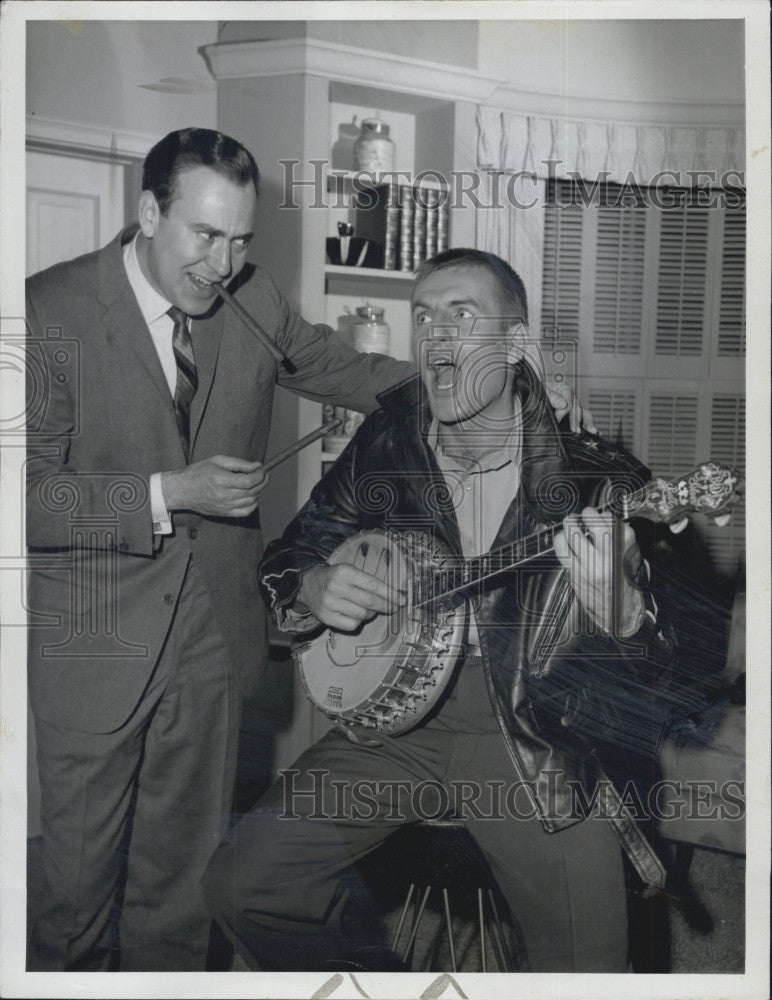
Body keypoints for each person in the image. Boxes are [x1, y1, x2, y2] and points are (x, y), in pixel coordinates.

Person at [25, 131, 582, 972]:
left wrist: (502, 380)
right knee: (71, 896)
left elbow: (360, 375)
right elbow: (23, 497)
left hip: (212, 643)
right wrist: (170, 492)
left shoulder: (249, 300)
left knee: (181, 897)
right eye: (206, 237)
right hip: (96, 645)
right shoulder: (46, 310)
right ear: (148, 213)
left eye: (242, 239)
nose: (224, 263)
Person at [203, 248, 679, 973]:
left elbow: (663, 670)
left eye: (463, 315)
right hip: (393, 728)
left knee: (587, 970)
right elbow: (287, 556)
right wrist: (311, 585)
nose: (436, 335)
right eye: (423, 316)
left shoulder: (599, 480)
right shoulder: (388, 440)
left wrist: (618, 616)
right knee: (244, 881)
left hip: (530, 733)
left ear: (516, 345)